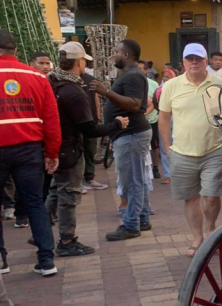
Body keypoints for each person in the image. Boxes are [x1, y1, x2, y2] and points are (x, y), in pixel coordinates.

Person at [46, 42, 128, 256]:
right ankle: (66, 240)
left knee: (56, 190)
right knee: (68, 196)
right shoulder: (72, 90)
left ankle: (41, 232)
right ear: (79, 62)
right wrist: (116, 124)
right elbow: (89, 129)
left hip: (55, 146)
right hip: (69, 149)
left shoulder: (51, 82)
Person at [159, 43, 222, 257]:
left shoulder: (220, 84)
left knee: (211, 196)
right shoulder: (171, 86)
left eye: (198, 58)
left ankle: (210, 230)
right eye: (190, 59)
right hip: (182, 152)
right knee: (191, 197)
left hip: (214, 150)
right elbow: (164, 117)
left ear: (205, 61)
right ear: (183, 62)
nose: (194, 62)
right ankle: (197, 237)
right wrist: (167, 147)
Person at [0, 30, 61, 277]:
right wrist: (52, 152)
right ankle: (46, 261)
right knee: (35, 203)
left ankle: (1, 261)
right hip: (30, 148)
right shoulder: (36, 77)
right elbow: (51, 119)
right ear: (15, 50)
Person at [89, 40, 152, 241]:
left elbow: (134, 104)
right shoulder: (129, 74)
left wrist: (106, 92)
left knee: (131, 182)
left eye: (116, 51)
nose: (113, 55)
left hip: (131, 135)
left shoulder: (133, 75)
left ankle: (131, 224)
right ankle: (142, 218)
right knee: (138, 179)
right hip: (130, 135)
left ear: (126, 55)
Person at [81, 70, 108, 192]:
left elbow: (96, 100)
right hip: (74, 123)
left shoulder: (90, 79)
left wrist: (97, 118)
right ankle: (78, 181)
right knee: (76, 154)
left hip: (90, 121)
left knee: (90, 151)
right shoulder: (65, 79)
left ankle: (89, 178)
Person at [138, 61, 161, 179]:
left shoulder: (153, 84)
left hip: (152, 120)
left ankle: (155, 167)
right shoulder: (132, 83)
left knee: (154, 145)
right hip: (137, 122)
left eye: (141, 69)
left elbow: (156, 102)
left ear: (146, 70)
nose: (138, 71)